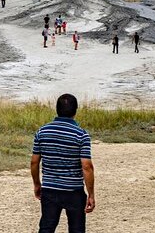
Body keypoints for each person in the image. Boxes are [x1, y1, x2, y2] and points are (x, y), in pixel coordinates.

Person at [31, 94, 95, 233]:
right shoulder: (81, 135)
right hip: (74, 190)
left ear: (57, 109)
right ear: (75, 110)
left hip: (49, 188)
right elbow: (87, 167)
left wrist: (37, 184)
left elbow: (34, 162)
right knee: (77, 229)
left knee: (46, 228)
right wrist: (91, 194)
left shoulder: (42, 132)